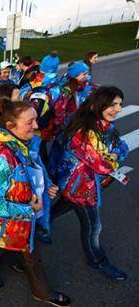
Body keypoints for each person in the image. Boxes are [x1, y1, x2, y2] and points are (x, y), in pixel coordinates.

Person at [0, 99, 70, 307]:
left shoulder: (21, 145)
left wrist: (47, 185)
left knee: (27, 255)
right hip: (6, 223)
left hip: (20, 221)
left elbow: (31, 172)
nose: (36, 126)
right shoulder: (2, 157)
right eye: (30, 122)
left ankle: (40, 290)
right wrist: (28, 210)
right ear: (10, 127)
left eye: (35, 120)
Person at [50, 86, 129, 281]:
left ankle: (39, 227)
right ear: (97, 105)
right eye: (112, 105)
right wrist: (114, 158)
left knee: (59, 208)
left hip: (84, 184)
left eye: (119, 104)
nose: (118, 109)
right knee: (94, 227)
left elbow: (122, 145)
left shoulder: (104, 126)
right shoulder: (83, 131)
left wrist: (115, 154)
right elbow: (102, 166)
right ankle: (96, 259)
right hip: (80, 188)